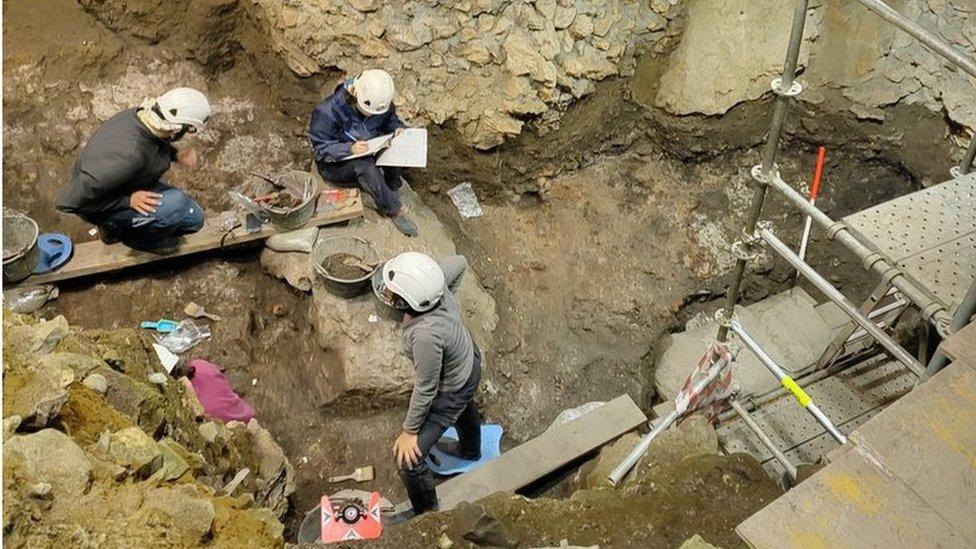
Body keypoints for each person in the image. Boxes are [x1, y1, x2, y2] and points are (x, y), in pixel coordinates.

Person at [383, 252, 482, 522]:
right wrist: (451, 293)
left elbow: (426, 387)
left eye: (392, 293)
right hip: (468, 362)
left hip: (453, 386)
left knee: (408, 461)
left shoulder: (425, 334)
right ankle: (471, 451)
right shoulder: (436, 287)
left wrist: (410, 431)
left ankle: (426, 515)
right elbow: (461, 261)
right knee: (464, 406)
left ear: (405, 302)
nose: (387, 294)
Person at [57, 87, 211, 254]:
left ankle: (129, 226)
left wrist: (175, 155)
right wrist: (127, 201)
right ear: (177, 128)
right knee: (176, 204)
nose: (192, 135)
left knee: (194, 220)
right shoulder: (128, 157)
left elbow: (153, 144)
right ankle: (133, 237)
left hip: (123, 184)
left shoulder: (145, 117)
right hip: (106, 202)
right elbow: (68, 202)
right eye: (191, 130)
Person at [308, 69, 419, 237]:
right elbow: (321, 149)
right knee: (365, 166)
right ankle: (393, 209)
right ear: (355, 95)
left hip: (368, 148)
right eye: (370, 112)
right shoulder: (327, 111)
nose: (374, 115)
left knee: (395, 143)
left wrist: (398, 128)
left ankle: (391, 186)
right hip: (335, 164)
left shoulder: (380, 102)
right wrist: (349, 149)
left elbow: (390, 120)